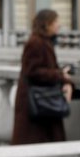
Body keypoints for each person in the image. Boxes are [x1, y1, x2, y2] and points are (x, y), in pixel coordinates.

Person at [11, 9, 73, 145]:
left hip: (43, 101)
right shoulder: (35, 42)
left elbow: (47, 69)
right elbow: (32, 72)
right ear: (46, 24)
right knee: (35, 143)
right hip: (36, 102)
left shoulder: (44, 42)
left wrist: (64, 78)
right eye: (56, 21)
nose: (59, 24)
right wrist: (59, 74)